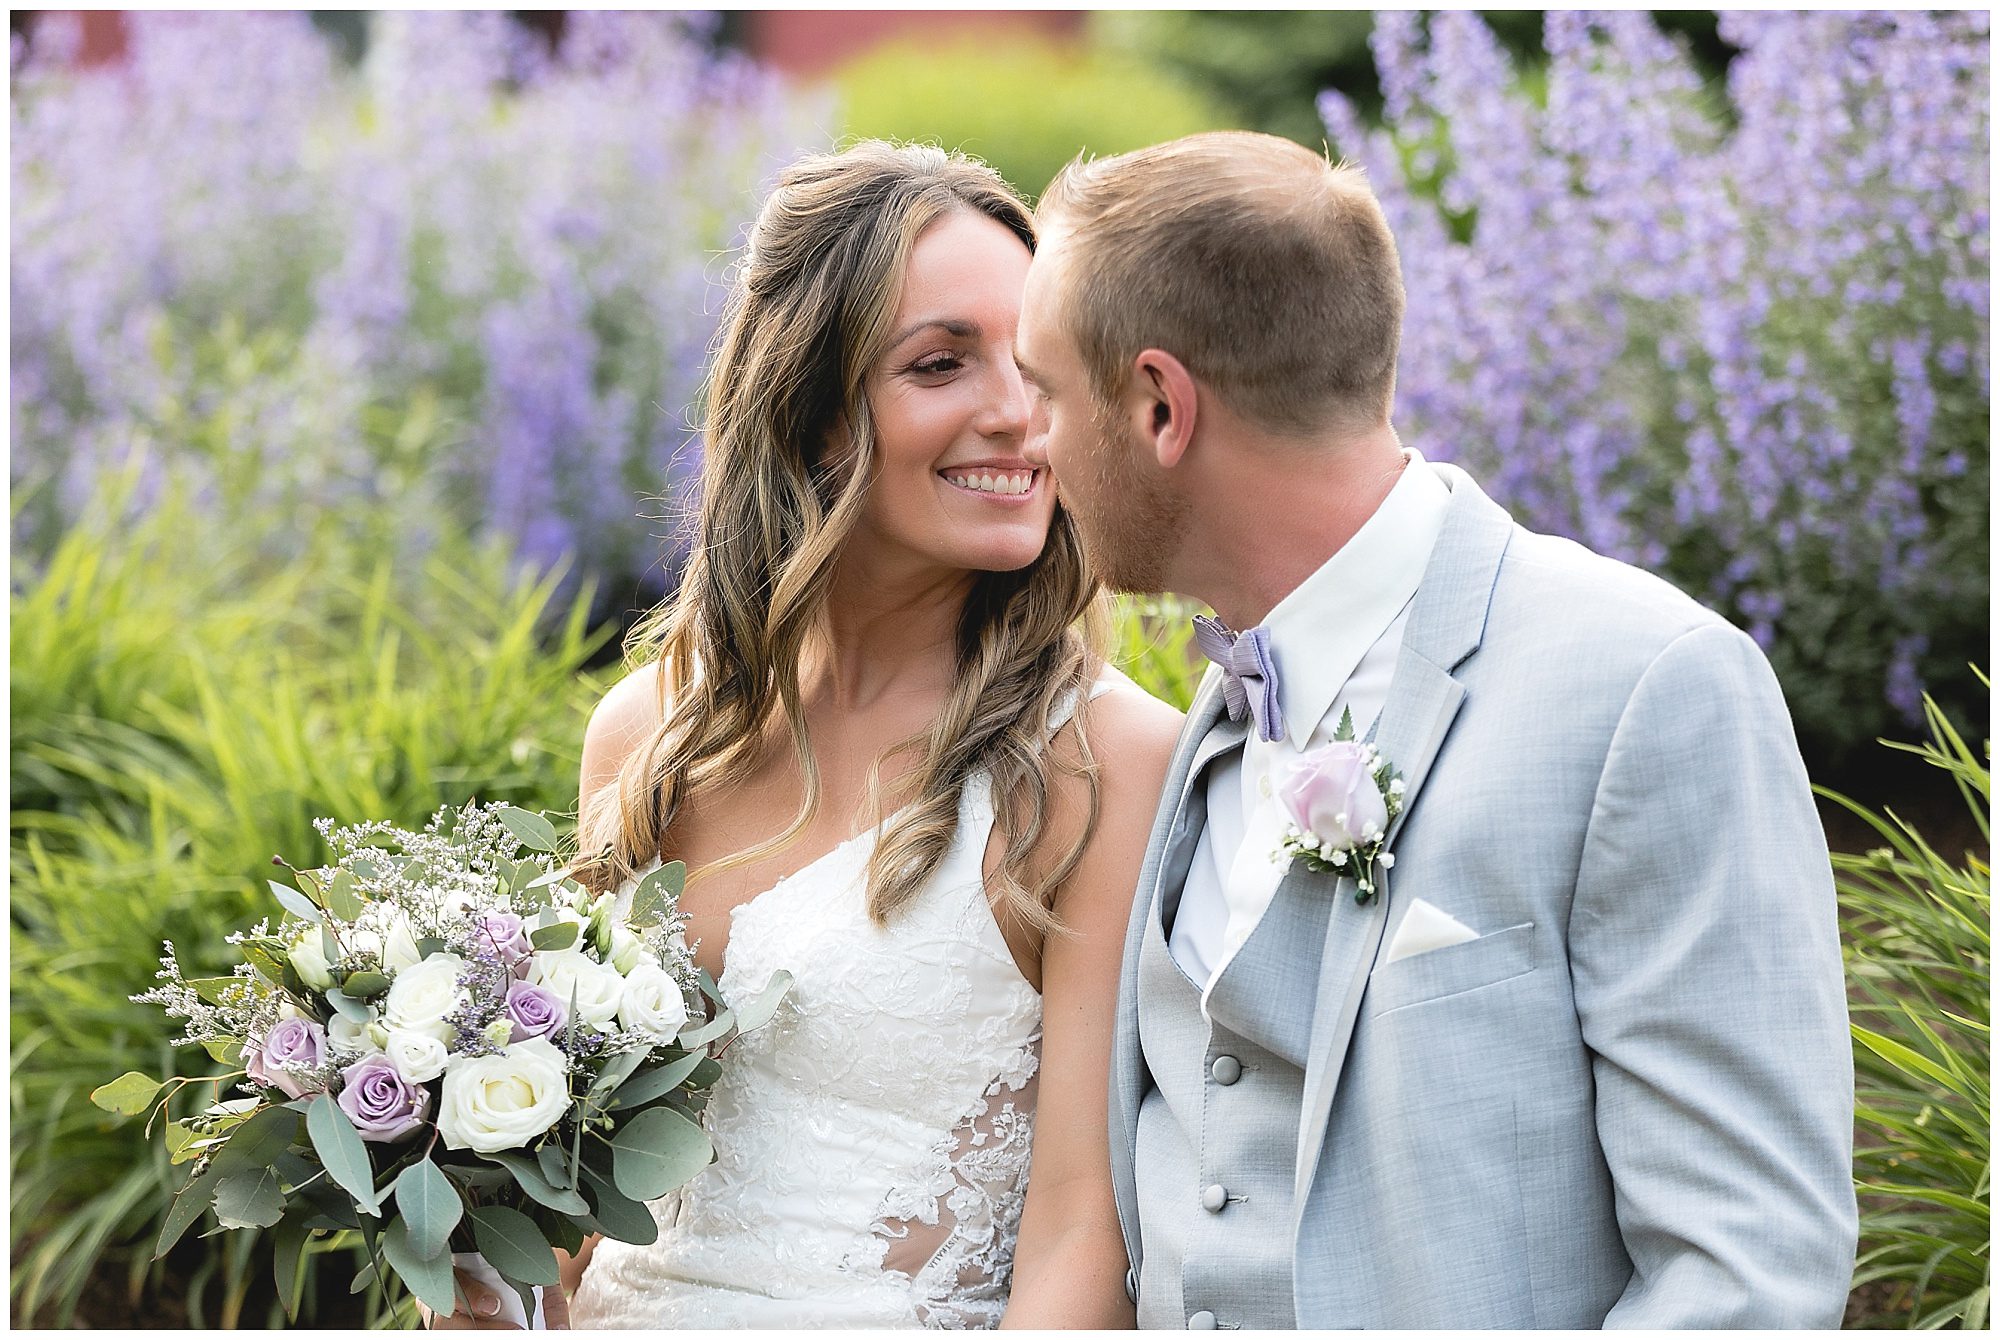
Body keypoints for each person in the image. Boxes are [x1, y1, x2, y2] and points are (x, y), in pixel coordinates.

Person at [1013, 130, 1858, 1329]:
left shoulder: (1645, 686)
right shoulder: (1206, 715)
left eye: (1045, 391)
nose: (1029, 439)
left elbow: (1746, 1268)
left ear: (1159, 405)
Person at [435, 140, 1179, 1329]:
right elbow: (570, 1186)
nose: (1017, 415)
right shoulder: (650, 735)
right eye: (940, 363)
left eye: (1036, 363)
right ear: (811, 409)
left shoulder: (1100, 762)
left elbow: (1083, 1228)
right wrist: (477, 1270)